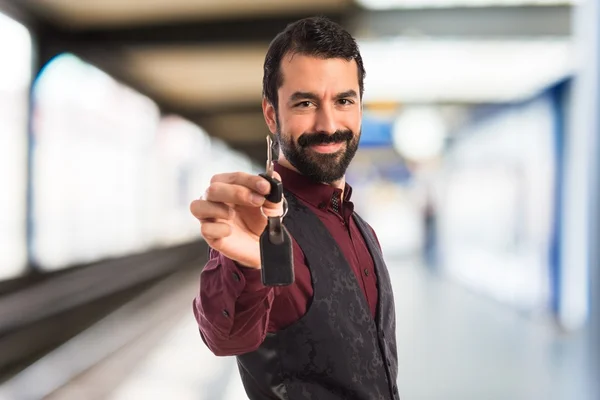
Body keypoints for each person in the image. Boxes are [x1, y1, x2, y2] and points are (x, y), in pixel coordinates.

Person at [190, 16, 398, 400]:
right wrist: (248, 263)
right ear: (272, 114)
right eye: (305, 102)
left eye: (344, 100)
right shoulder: (263, 225)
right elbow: (227, 335)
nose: (329, 123)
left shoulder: (364, 231)